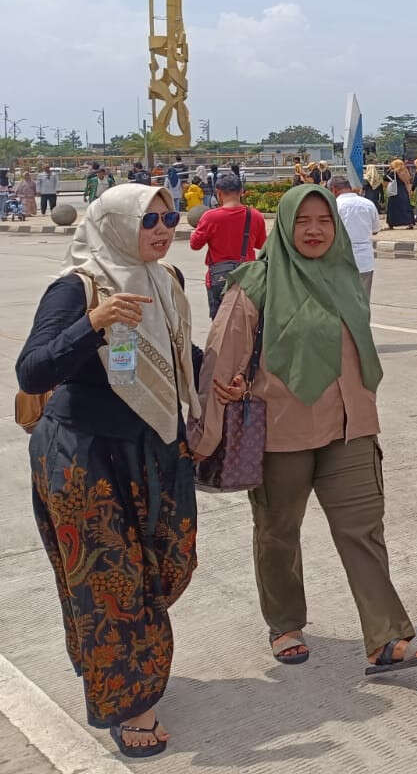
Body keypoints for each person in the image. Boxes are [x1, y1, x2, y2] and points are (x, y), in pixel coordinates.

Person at [201, 184, 417, 676]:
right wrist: (221, 400)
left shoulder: (345, 277)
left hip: (350, 428)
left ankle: (386, 639)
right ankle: (285, 623)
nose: (314, 230)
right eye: (303, 221)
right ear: (286, 225)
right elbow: (221, 360)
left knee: (363, 532)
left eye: (324, 220)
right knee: (277, 533)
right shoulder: (257, 283)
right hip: (282, 432)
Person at [16, 185, 199, 757]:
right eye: (150, 220)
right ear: (116, 223)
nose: (164, 229)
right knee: (108, 581)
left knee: (167, 564)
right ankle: (129, 704)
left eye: (170, 218)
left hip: (152, 448)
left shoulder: (165, 282)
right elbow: (32, 371)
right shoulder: (76, 286)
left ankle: (109, 653)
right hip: (82, 456)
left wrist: (216, 374)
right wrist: (92, 322)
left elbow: (175, 353)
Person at [188, 171, 267, 318]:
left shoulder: (210, 217)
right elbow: (261, 244)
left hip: (218, 278)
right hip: (248, 277)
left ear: (219, 193)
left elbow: (195, 245)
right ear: (241, 192)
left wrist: (196, 232)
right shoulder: (255, 215)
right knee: (249, 321)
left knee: (220, 323)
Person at [333, 175, 382, 300]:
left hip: (341, 258)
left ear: (334, 190)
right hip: (365, 259)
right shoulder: (368, 204)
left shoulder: (334, 206)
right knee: (363, 300)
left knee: (343, 300)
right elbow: (375, 230)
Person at [385, 159, 415, 229]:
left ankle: (392, 223)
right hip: (403, 190)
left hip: (395, 191)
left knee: (393, 208)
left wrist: (390, 169)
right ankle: (410, 223)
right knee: (405, 207)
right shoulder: (405, 171)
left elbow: (385, 178)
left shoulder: (393, 172)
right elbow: (408, 181)